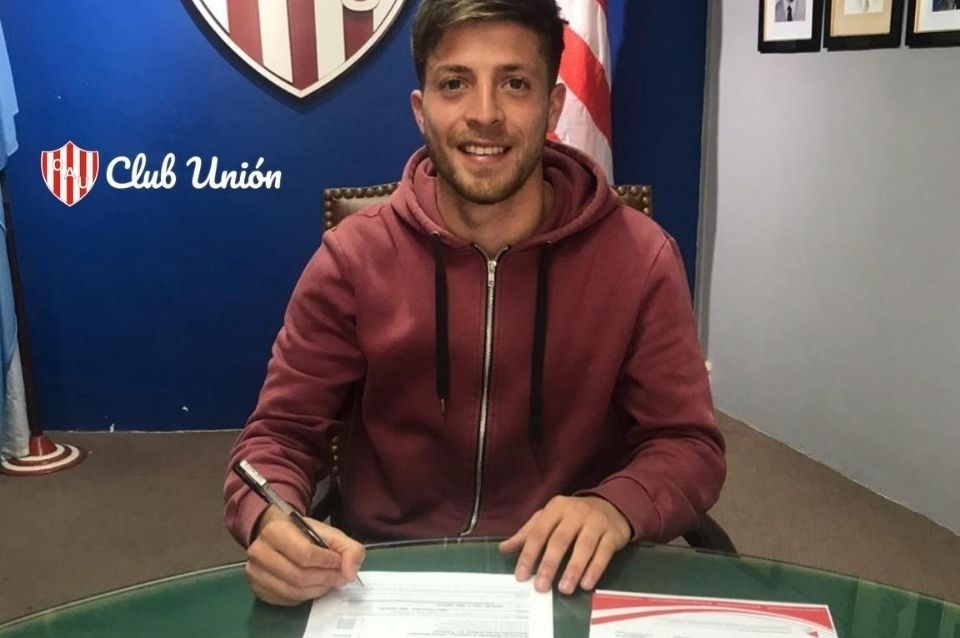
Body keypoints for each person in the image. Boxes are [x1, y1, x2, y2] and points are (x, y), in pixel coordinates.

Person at [223, 0, 725, 607]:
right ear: (421, 110)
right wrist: (270, 519)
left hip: (564, 575)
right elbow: (277, 436)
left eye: (515, 84)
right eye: (455, 84)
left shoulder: (639, 258)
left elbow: (689, 445)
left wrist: (614, 506)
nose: (484, 114)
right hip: (384, 575)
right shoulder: (353, 258)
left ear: (553, 107)